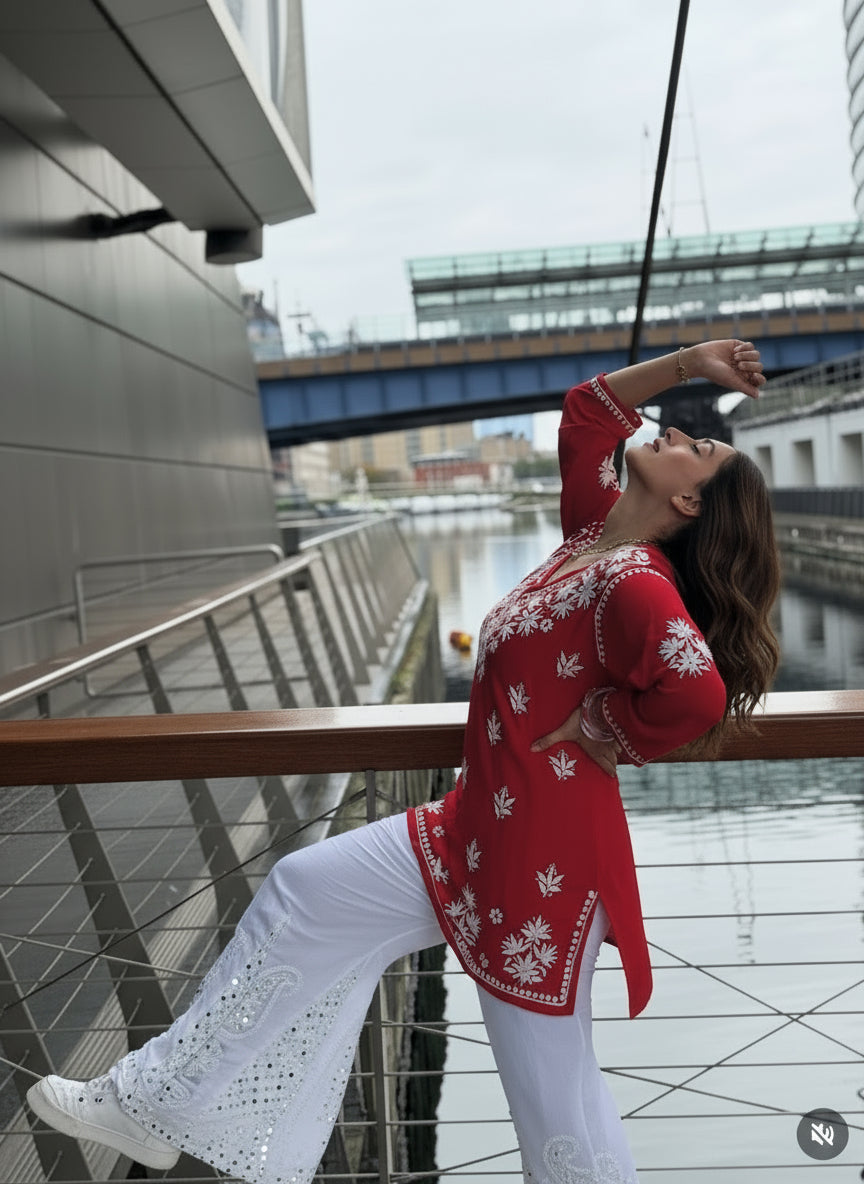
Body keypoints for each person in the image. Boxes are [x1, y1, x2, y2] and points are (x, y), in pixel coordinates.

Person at [27, 339, 781, 1184]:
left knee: (557, 1113)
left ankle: (159, 1102)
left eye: (697, 448)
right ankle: (157, 1102)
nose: (675, 432)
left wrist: (605, 721)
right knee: (304, 891)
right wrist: (693, 362)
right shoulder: (589, 535)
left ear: (687, 499)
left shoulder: (634, 582)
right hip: (468, 831)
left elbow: (697, 696)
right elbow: (586, 411)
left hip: (539, 871)